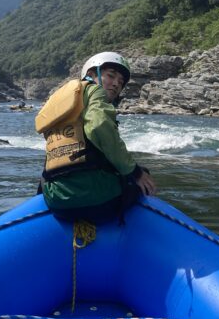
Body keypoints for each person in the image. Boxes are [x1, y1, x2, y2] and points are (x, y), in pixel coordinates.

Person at [35, 51, 156, 222]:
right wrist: (135, 172)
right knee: (142, 175)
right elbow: (99, 126)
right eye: (111, 76)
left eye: (121, 82)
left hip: (55, 202)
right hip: (95, 202)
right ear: (91, 75)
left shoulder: (64, 103)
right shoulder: (95, 91)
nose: (116, 84)